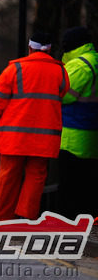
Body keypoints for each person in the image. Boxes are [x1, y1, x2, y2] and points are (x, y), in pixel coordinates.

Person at [0, 32, 68, 222]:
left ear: (30, 48)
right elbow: (63, 93)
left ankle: (3, 220)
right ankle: (27, 218)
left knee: (8, 177)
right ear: (50, 50)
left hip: (14, 138)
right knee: (36, 176)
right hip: (44, 139)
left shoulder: (15, 70)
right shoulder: (60, 72)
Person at [57, 26, 98, 218]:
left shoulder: (79, 65)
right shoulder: (94, 60)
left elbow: (61, 94)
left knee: (70, 189)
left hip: (74, 140)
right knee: (87, 189)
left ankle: (70, 231)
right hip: (91, 138)